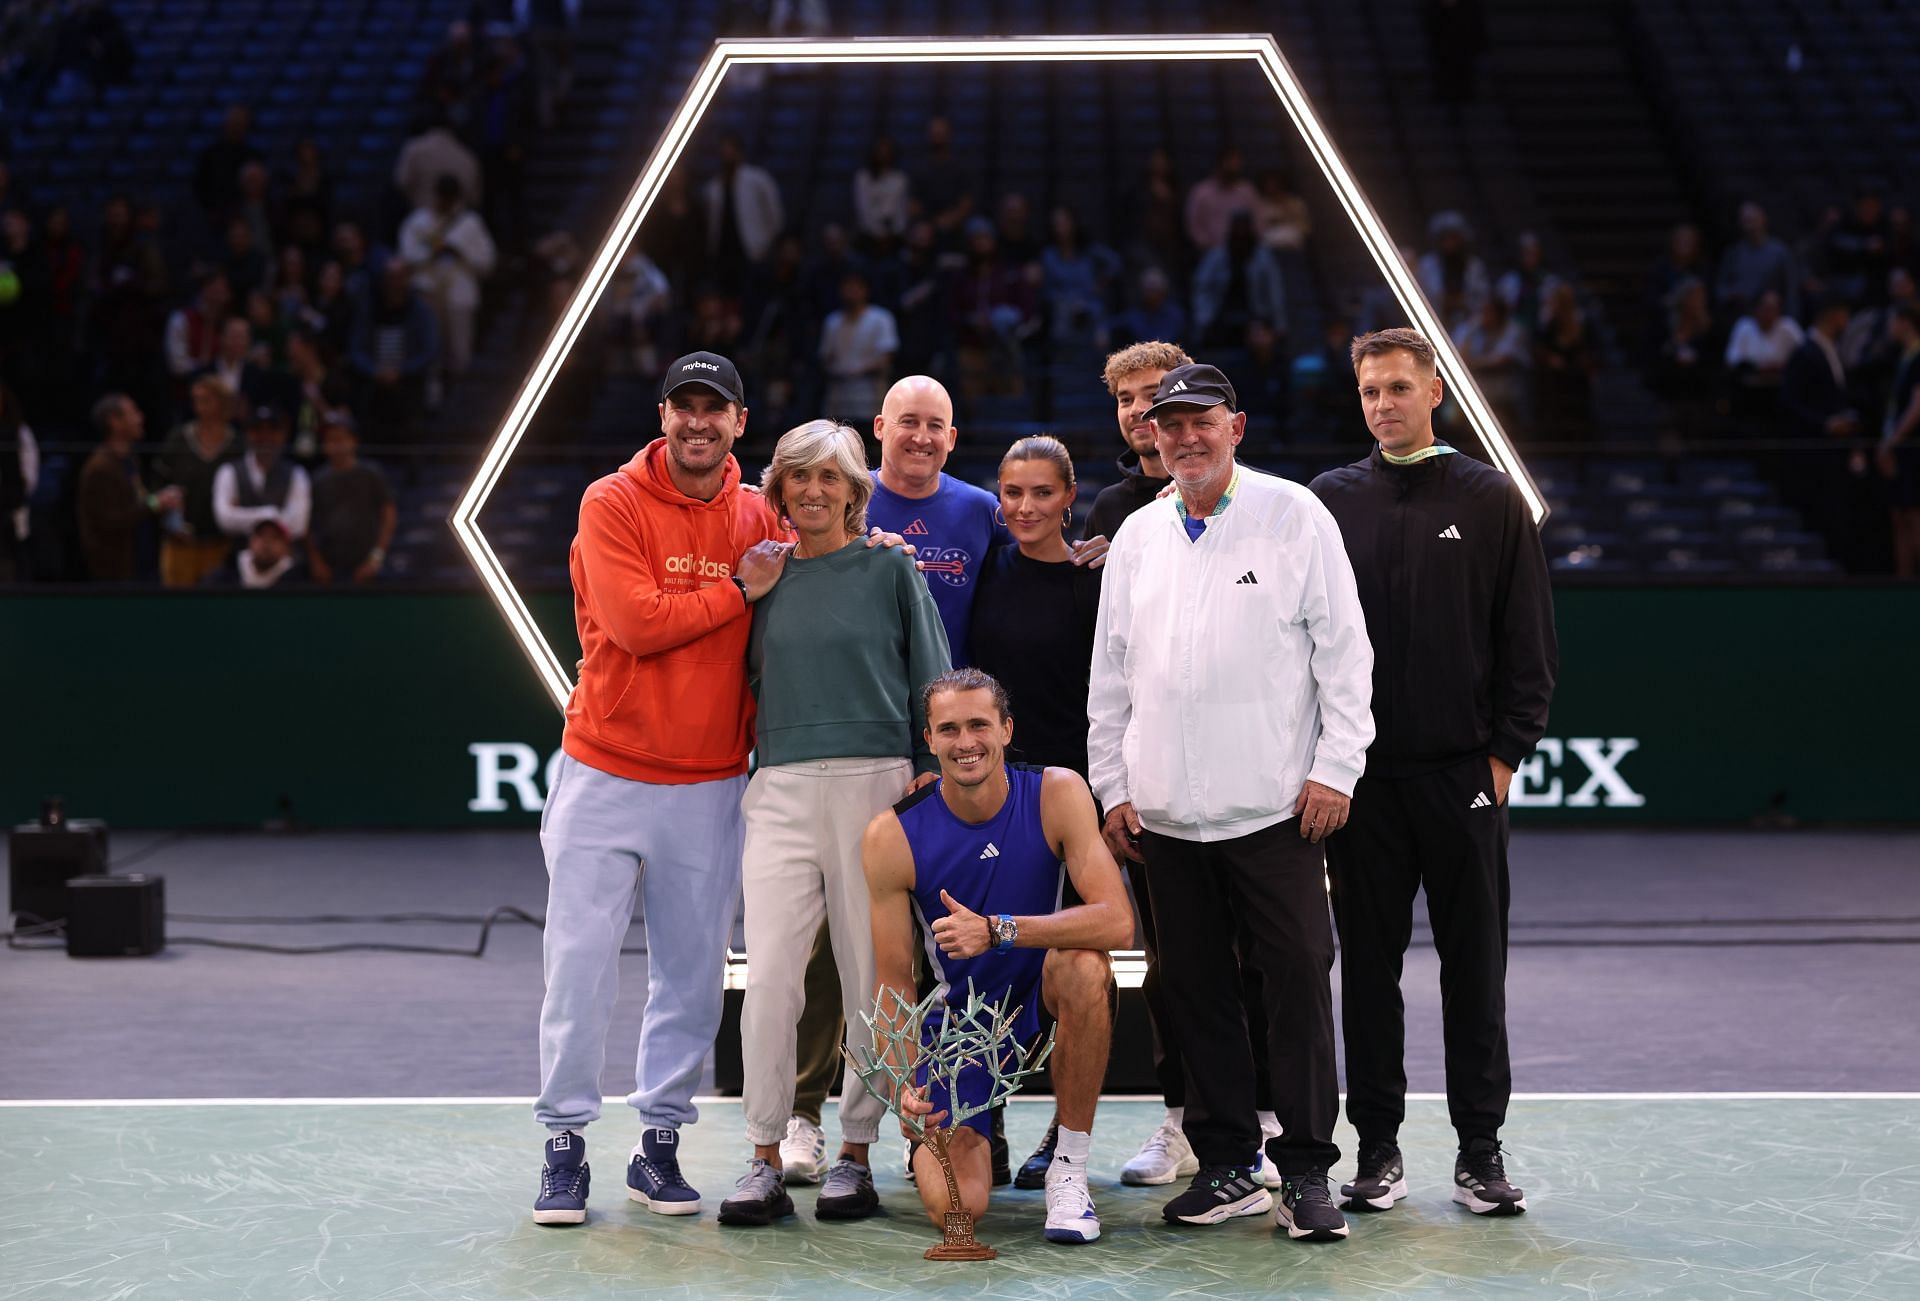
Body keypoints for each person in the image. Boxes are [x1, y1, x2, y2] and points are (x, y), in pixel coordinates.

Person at [1087, 362, 1374, 1242]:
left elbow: (1346, 657)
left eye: (1200, 422)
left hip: (1276, 814)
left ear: (1236, 427)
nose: (1184, 437)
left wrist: (1337, 769)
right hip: (1167, 821)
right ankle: (1224, 1164)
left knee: (1293, 982)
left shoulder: (1295, 515)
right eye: (1169, 425)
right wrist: (1114, 786)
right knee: (1196, 992)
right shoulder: (1137, 535)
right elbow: (1112, 675)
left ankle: (1308, 1171)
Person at [530, 352, 789, 1227]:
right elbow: (637, 624)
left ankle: (658, 1147)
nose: (698, 423)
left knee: (690, 978)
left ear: (738, 424)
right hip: (602, 769)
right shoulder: (611, 501)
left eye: (714, 410)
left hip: (710, 783)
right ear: (664, 414)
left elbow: (827, 547)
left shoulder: (760, 514)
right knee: (578, 969)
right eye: (685, 408)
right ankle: (565, 1144)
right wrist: (740, 591)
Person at [1309, 327, 1557, 1221]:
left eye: (1399, 388)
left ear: (1435, 392)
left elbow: (1528, 646)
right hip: (1361, 785)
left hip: (1462, 780)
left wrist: (1501, 758)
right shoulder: (1329, 500)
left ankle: (1479, 1151)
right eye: (1371, 390)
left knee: (1473, 968)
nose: (1383, 403)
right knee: (1367, 972)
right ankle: (1376, 1151)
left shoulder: (1490, 500)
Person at [718, 419, 951, 1229]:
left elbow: (935, 678)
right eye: (797, 479)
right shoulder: (762, 577)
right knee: (771, 980)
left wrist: (931, 769)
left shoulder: (891, 566)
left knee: (872, 977)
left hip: (876, 786)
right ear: (778, 491)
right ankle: (763, 1154)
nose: (813, 491)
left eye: (830, 479)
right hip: (777, 786)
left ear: (857, 491)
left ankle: (856, 1152)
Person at [864, 668, 1133, 1245]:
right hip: (958, 1029)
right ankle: (950, 1142)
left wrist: (999, 930)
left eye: (980, 725)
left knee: (1087, 966)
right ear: (930, 740)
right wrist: (905, 1083)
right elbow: (894, 982)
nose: (966, 742)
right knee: (961, 1207)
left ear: (1006, 729)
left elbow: (1118, 921)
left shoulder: (1058, 792)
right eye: (950, 729)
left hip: (1039, 1001)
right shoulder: (891, 835)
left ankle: (1069, 1168)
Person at [399, 174, 497, 402]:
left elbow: (487, 261)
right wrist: (432, 252)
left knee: (460, 353)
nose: (445, 202)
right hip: (427, 293)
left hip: (458, 296)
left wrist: (459, 251)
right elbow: (406, 257)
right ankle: (430, 400)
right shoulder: (419, 221)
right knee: (429, 349)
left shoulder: (470, 224)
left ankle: (458, 401)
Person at [77, 393, 178, 581]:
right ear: (114, 422)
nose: (140, 418)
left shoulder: (130, 458)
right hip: (116, 571)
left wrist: (160, 500)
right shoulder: (99, 468)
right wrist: (155, 503)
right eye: (134, 413)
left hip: (141, 561)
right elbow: (110, 521)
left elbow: (138, 500)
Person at [151, 375, 239, 587]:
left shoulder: (237, 443)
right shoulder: (178, 438)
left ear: (222, 403)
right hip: (180, 544)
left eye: (206, 400)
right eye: (196, 400)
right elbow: (156, 490)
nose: (199, 407)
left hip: (219, 545)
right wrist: (162, 511)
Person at [307, 413, 395, 585]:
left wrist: (375, 558)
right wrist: (316, 562)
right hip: (330, 567)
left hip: (368, 565)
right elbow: (307, 524)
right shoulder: (317, 479)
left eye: (341, 438)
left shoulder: (371, 474)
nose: (336, 445)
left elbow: (389, 516)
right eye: (330, 439)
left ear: (354, 440)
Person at [212, 406, 311, 544]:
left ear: (283, 435)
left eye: (272, 430)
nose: (265, 437)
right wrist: (270, 514)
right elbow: (224, 520)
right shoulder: (229, 471)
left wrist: (241, 516)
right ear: (248, 434)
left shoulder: (297, 473)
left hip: (285, 560)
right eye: (258, 430)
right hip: (238, 558)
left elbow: (298, 525)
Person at [818, 271, 898, 424]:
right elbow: (825, 358)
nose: (850, 291)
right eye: (847, 287)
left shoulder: (881, 318)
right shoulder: (832, 322)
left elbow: (886, 358)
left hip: (870, 398)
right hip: (838, 399)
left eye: (855, 287)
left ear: (865, 290)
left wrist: (857, 370)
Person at [204, 517, 306, 588]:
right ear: (250, 542)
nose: (266, 542)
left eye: (275, 537)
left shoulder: (298, 583)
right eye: (261, 535)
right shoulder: (224, 577)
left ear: (286, 548)